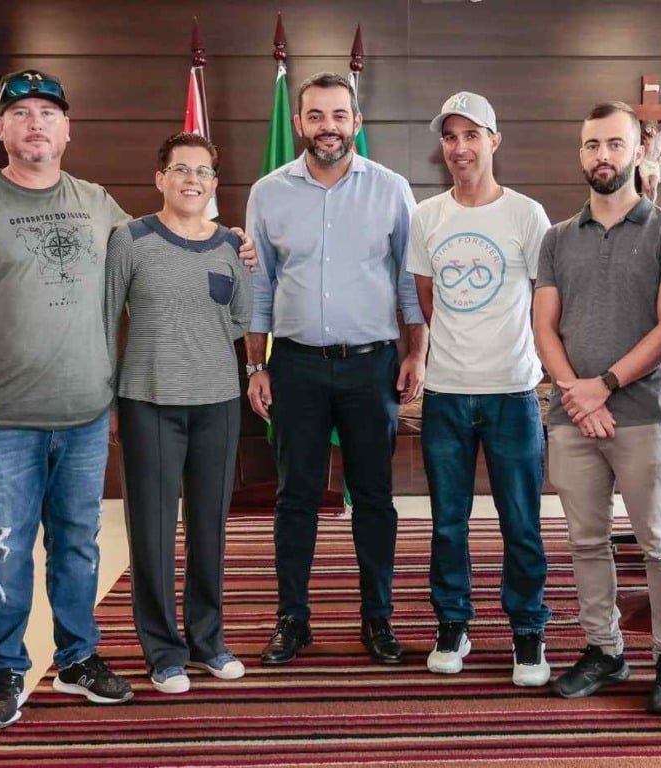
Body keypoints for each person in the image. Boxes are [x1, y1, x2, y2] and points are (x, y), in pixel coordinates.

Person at [0, 69, 135, 729]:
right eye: (21, 113)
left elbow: (154, 264)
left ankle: (76, 659)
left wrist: (226, 246)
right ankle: (6, 670)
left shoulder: (99, 203)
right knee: (6, 548)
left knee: (78, 543)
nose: (35, 123)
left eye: (48, 112)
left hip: (84, 414)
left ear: (67, 128)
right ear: (1, 128)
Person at [244, 72, 427, 666]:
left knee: (374, 497)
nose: (329, 126)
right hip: (293, 365)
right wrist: (256, 363)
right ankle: (292, 621)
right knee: (296, 498)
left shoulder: (393, 189)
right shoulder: (268, 191)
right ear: (299, 123)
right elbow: (260, 285)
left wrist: (415, 352)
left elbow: (407, 281)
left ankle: (378, 621)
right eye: (316, 115)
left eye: (339, 115)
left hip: (372, 366)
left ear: (357, 122)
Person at [533, 101, 661, 715]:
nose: (601, 155)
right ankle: (604, 649)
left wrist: (602, 385)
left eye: (612, 144)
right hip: (573, 418)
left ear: (637, 153)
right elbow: (544, 328)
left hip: (643, 414)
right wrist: (577, 394)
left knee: (659, 542)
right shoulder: (555, 238)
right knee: (584, 541)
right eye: (590, 145)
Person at [408, 92, 553, 686]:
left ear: (495, 140)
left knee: (522, 521)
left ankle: (527, 631)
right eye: (450, 136)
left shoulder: (526, 214)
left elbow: (547, 304)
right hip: (445, 394)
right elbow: (425, 300)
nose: (460, 147)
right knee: (447, 520)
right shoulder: (427, 217)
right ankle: (453, 623)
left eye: (473, 134)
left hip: (513, 393)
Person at [104, 133, 251, 694]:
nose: (193, 179)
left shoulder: (231, 248)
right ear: (159, 177)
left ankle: (208, 639)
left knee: (209, 526)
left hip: (218, 403)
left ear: (215, 184)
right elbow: (104, 318)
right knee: (153, 529)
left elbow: (241, 319)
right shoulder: (131, 239)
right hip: (149, 402)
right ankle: (163, 650)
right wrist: (111, 399)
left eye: (204, 172)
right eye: (181, 169)